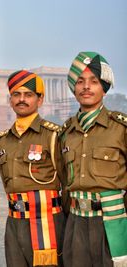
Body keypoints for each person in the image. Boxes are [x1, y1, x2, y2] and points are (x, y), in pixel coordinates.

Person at [60, 52, 127, 266]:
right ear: (74, 88)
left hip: (111, 222)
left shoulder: (120, 128)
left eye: (94, 81)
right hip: (76, 222)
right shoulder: (66, 132)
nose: (86, 87)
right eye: (80, 81)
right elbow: (63, 180)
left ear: (103, 88)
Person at [0, 70, 65, 267]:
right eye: (16, 95)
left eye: (28, 95)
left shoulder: (52, 135)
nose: (22, 100)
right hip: (15, 222)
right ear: (10, 100)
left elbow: (67, 181)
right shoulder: (3, 140)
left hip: (46, 222)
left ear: (40, 100)